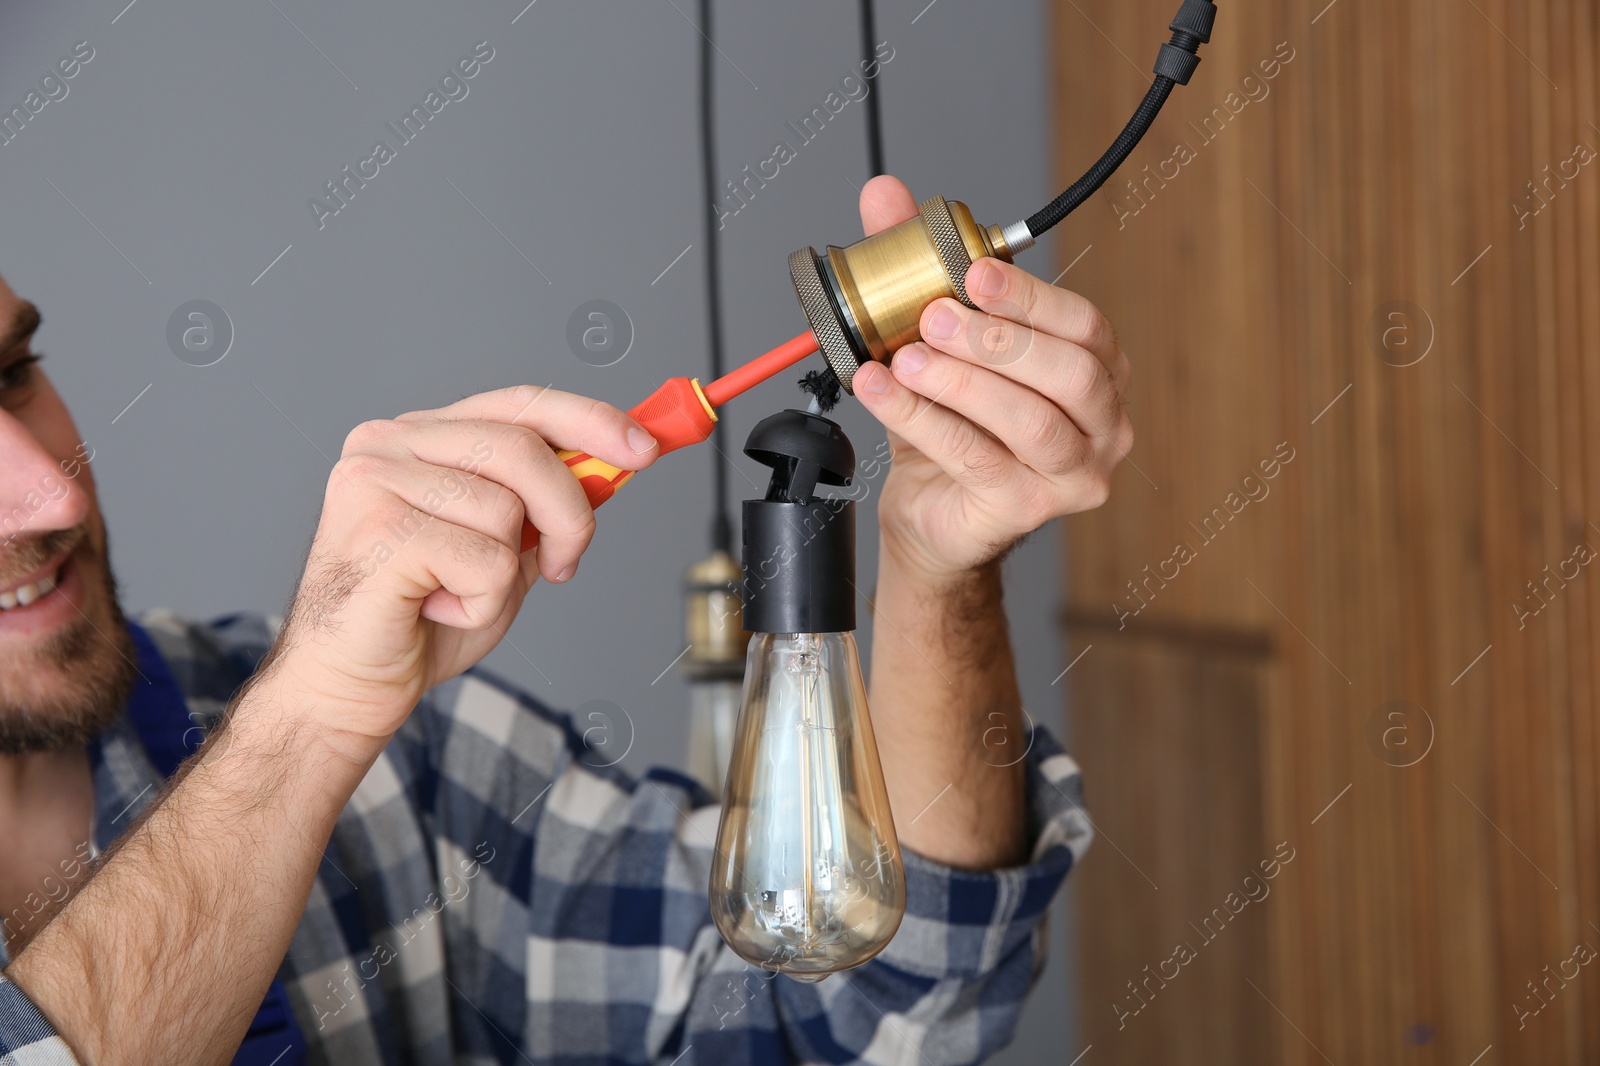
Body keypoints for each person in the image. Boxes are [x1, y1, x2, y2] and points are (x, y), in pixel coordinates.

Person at [0, 177, 1131, 1065]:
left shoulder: (392, 759)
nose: (53, 493)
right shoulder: (311, 721)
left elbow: (875, 1017)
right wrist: (300, 732)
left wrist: (934, 568)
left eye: (12, 374)